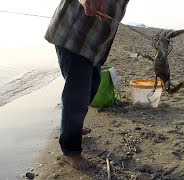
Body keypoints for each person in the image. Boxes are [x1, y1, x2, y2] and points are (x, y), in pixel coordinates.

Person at [45, 0, 129, 170]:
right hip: (72, 35)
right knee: (78, 95)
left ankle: (72, 127)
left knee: (93, 86)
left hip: (94, 45)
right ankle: (70, 151)